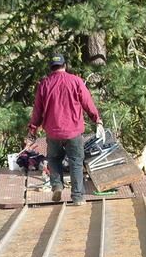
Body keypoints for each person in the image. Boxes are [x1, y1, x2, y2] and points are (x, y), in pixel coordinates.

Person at [26, 54, 104, 206]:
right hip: (73, 131)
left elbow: (37, 111)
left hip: (53, 132)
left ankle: (57, 185)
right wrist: (97, 119)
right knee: (76, 161)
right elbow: (87, 102)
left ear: (51, 67)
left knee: (54, 159)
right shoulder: (75, 81)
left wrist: (33, 130)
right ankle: (78, 197)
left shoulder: (44, 84)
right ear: (65, 65)